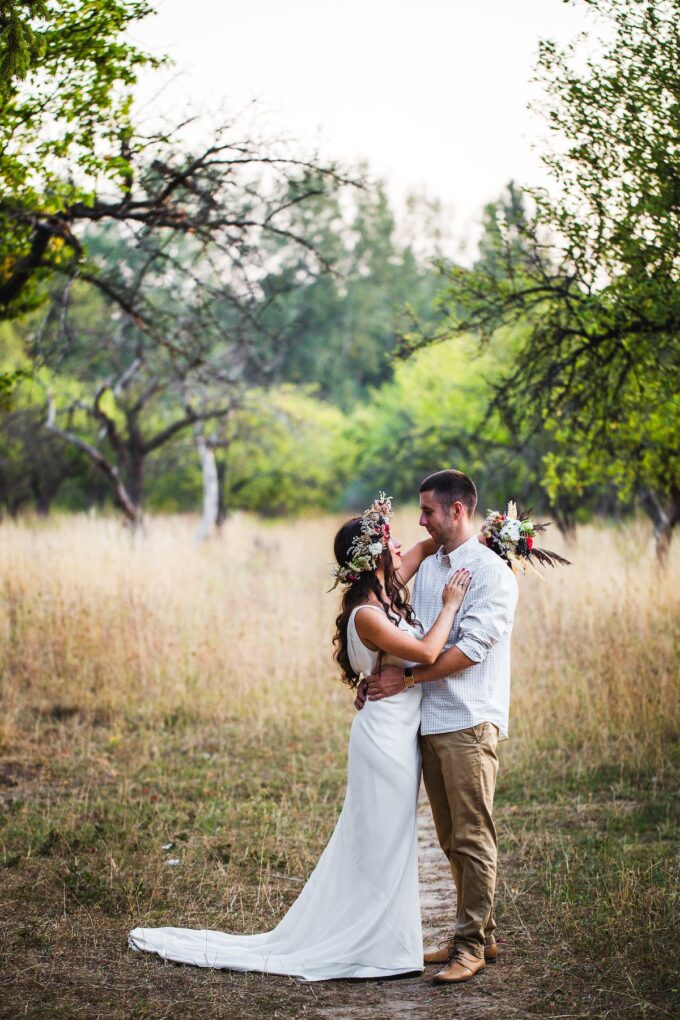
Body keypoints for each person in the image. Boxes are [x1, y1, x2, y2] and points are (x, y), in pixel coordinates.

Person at [128, 492, 471, 981]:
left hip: (397, 734)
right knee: (382, 841)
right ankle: (374, 945)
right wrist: (451, 603)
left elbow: (422, 545)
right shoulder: (368, 615)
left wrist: (470, 536)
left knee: (389, 841)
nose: (400, 553)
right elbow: (427, 650)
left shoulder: (385, 588)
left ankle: (384, 941)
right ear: (373, 558)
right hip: (384, 742)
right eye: (388, 547)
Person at [358, 469, 518, 984]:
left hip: (470, 721)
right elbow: (395, 619)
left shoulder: (492, 573)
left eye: (428, 511)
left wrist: (405, 681)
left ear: (457, 510)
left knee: (473, 835)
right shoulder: (431, 566)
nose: (421, 520)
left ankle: (469, 946)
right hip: (431, 721)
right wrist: (373, 672)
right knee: (450, 838)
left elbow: (469, 650)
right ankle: (481, 934)